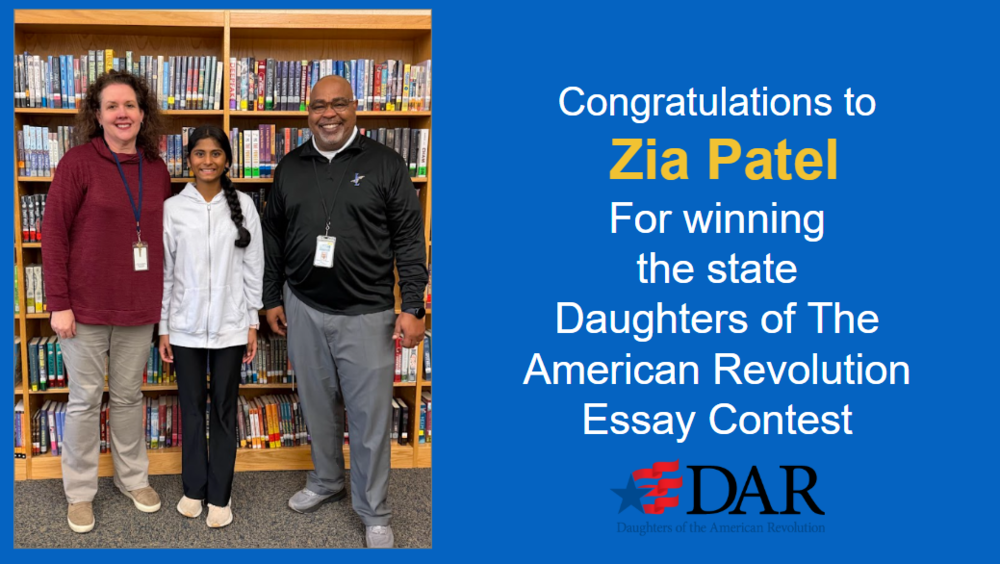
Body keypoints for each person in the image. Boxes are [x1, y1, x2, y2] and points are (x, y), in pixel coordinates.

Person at [262, 75, 427, 549]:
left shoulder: (386, 163)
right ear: (307, 112)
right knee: (317, 408)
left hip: (368, 312)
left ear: (355, 108)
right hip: (304, 305)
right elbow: (273, 236)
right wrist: (273, 296)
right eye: (318, 106)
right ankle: (326, 480)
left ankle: (374, 511)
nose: (328, 114)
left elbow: (409, 240)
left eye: (338, 104)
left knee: (369, 418)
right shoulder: (291, 165)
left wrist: (412, 304)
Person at [43, 70, 172, 533]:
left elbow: (163, 238)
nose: (122, 113)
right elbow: (53, 235)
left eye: (130, 105)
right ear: (96, 115)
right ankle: (79, 492)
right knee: (82, 402)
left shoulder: (157, 169)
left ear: (143, 113)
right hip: (84, 308)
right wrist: (58, 302)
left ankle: (132, 479)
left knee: (128, 398)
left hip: (139, 307)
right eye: (112, 106)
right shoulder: (78, 162)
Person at [158, 125, 263, 528]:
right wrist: (165, 327)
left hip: (230, 327)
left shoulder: (245, 206)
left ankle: (220, 495)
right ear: (188, 159)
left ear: (227, 159)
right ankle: (193, 489)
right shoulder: (172, 209)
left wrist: (251, 321)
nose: (207, 160)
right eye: (199, 153)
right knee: (190, 408)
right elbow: (165, 274)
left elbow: (254, 267)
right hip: (183, 328)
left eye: (216, 153)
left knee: (221, 409)